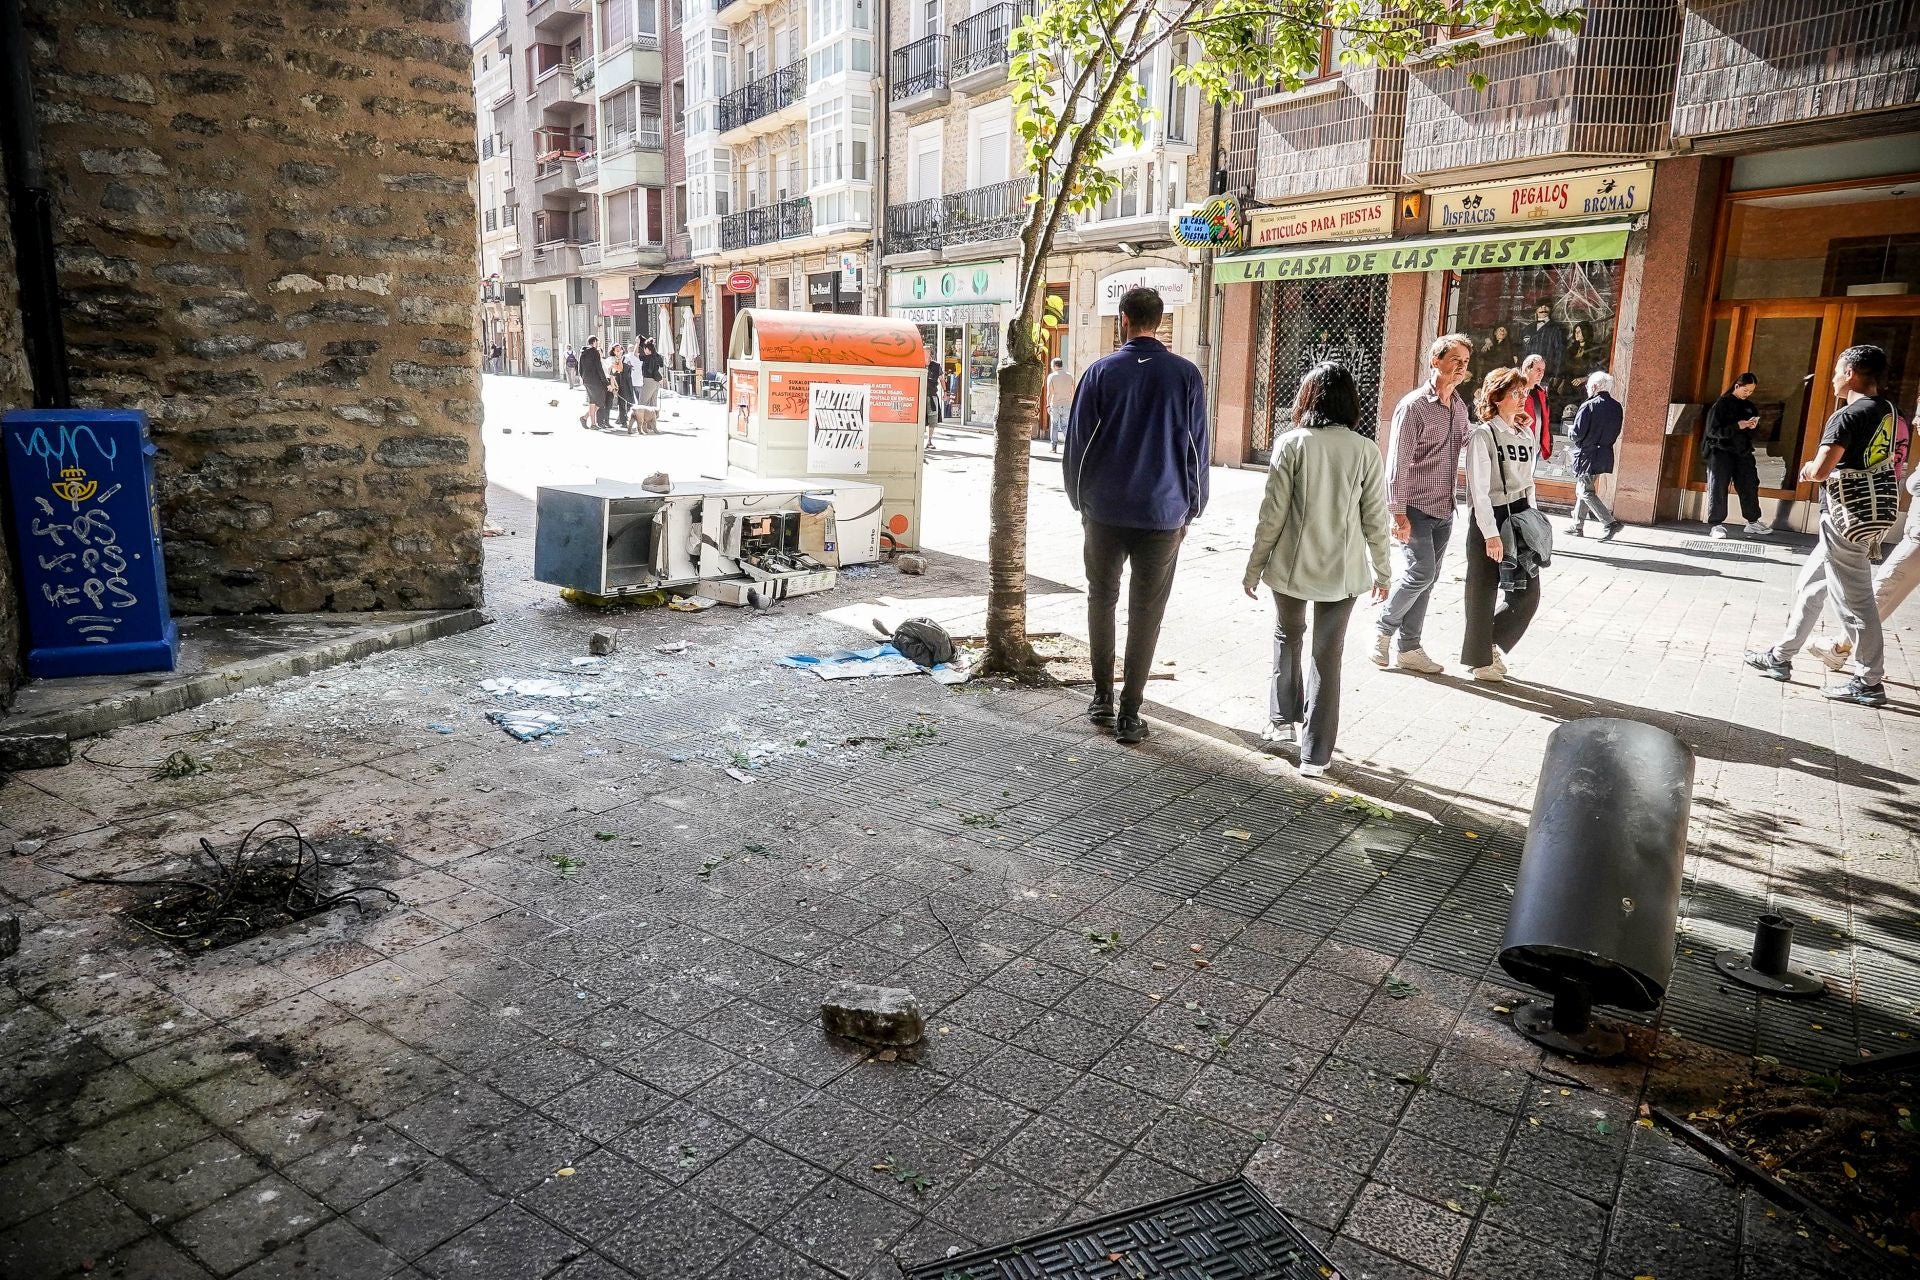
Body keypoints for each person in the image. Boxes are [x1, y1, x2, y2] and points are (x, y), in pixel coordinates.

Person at [1064, 286, 1209, 746]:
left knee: (1101, 599)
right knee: (1147, 612)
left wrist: (1077, 498)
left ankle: (1101, 697)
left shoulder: (1100, 372)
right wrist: (1195, 503)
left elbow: (1077, 444)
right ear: (1159, 321)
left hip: (1104, 509)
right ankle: (1131, 712)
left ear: (1123, 318)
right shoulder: (1186, 376)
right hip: (1163, 513)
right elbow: (1197, 449)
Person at [1242, 362, 1391, 777]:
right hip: (1344, 573)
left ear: (1307, 398)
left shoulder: (1291, 444)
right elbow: (1375, 518)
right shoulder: (1366, 450)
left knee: (1287, 636)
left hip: (1291, 565)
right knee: (1329, 655)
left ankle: (1281, 722)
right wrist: (1383, 571)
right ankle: (1317, 755)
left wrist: (1254, 567)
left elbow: (1271, 515)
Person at [1744, 345, 1897, 708]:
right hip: (1867, 515)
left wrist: (1808, 468)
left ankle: (1868, 680)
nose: (1831, 378)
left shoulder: (1847, 415)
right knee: (1811, 586)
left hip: (1845, 518)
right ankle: (1780, 657)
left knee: (1855, 601)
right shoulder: (1888, 410)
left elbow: (1823, 469)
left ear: (1850, 374)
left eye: (1836, 371)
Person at [1375, 334, 1473, 675]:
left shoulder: (1459, 407)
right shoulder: (1414, 405)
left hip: (1444, 507)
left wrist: (1504, 426)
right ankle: (1383, 628)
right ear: (1436, 361)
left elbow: (1469, 441)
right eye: (1455, 360)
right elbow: (1397, 462)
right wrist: (1397, 512)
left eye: (1465, 362)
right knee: (1421, 572)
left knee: (1428, 580)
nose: (1462, 367)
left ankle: (1410, 649)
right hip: (1414, 506)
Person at [1461, 367, 1543, 682]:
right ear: (1496, 398)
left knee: (1527, 592)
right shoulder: (1483, 435)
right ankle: (1480, 661)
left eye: (1525, 393)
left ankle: (1490, 644)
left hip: (1521, 516)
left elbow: (1529, 482)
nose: (1523, 398)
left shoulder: (1525, 434)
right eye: (1516, 393)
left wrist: (1533, 519)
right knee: (1482, 591)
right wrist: (1490, 534)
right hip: (1491, 515)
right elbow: (1478, 491)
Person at [1701, 372, 1769, 538]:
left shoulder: (1749, 406)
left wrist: (1753, 427)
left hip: (1742, 451)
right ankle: (1716, 524)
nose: (1748, 394)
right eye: (1745, 390)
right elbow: (1712, 432)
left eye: (1751, 391)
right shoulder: (1721, 405)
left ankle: (1753, 521)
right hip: (1720, 451)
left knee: (1749, 484)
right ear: (1737, 386)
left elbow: (1754, 433)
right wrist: (1737, 426)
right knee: (1718, 486)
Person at [1568, 371, 1624, 540]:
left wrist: (1570, 431)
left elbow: (1577, 433)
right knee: (1583, 489)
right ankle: (1577, 526)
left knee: (1585, 491)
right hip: (1604, 453)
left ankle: (1610, 522)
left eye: (1587, 387)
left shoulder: (1589, 405)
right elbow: (1616, 431)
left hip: (1587, 454)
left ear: (1593, 387)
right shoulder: (1616, 406)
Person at [1521, 302, 1565, 388]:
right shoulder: (1528, 329)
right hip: (1527, 375)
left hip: (1546, 376)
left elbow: (1559, 353)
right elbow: (1522, 350)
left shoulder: (1556, 329)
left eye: (1546, 306)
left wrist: (1555, 375)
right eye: (1540, 306)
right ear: (1536, 310)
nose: (1543, 308)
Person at [1520, 354, 1553, 460]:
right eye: (1538, 369)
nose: (1541, 374)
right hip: (1519, 446)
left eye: (1543, 370)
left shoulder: (1541, 393)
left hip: (1536, 447)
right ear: (1526, 369)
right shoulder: (1516, 391)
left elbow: (1545, 421)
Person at [1045, 357, 1076, 454]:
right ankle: (1069, 446)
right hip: (1067, 404)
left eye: (1051, 365)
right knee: (1065, 426)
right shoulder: (1069, 376)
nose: (1051, 367)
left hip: (1055, 404)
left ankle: (1054, 447)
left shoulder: (1052, 376)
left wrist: (1047, 405)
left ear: (1055, 366)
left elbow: (1049, 392)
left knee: (1054, 425)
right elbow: (1073, 392)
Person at [635, 339, 665, 434]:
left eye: (644, 348)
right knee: (653, 405)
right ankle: (652, 425)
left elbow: (635, 354)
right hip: (656, 382)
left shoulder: (647, 357)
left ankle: (641, 426)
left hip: (648, 381)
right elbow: (661, 364)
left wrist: (637, 343)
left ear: (648, 349)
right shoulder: (657, 356)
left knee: (642, 403)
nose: (644, 350)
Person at [577, 338, 606, 429]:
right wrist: (606, 382)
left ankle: (590, 421)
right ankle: (589, 421)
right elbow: (599, 367)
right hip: (595, 380)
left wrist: (582, 378)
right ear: (594, 342)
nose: (598, 344)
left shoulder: (582, 352)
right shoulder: (594, 351)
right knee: (601, 400)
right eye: (598, 342)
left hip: (587, 380)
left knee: (592, 401)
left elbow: (580, 367)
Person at [924, 356, 942, 448]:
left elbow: (941, 379)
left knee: (932, 419)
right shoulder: (918, 363)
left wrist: (945, 392)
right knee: (920, 419)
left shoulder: (936, 366)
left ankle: (929, 440)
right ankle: (920, 440)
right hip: (920, 395)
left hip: (932, 395)